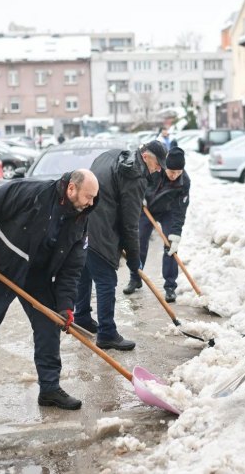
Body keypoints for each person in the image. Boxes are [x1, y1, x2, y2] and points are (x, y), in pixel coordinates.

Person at [0, 169, 100, 427]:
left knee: (48, 325)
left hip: (36, 274)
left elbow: (71, 269)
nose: (91, 203)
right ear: (71, 189)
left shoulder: (80, 219)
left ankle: (49, 388)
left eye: (94, 198)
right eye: (88, 196)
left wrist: (65, 306)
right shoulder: (29, 192)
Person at [73, 141, 167, 351]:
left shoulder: (113, 155)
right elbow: (130, 225)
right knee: (106, 280)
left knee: (86, 271)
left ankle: (81, 316)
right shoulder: (136, 176)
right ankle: (107, 334)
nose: (158, 169)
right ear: (146, 156)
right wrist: (134, 259)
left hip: (83, 223)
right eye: (157, 164)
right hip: (102, 229)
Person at [122, 147, 190, 303]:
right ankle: (136, 278)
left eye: (178, 173)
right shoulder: (155, 170)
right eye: (171, 172)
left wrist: (176, 232)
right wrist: (140, 198)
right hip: (147, 209)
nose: (174, 176)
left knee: (170, 245)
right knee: (139, 241)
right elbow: (139, 183)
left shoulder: (184, 181)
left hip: (168, 212)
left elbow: (181, 209)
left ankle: (170, 286)